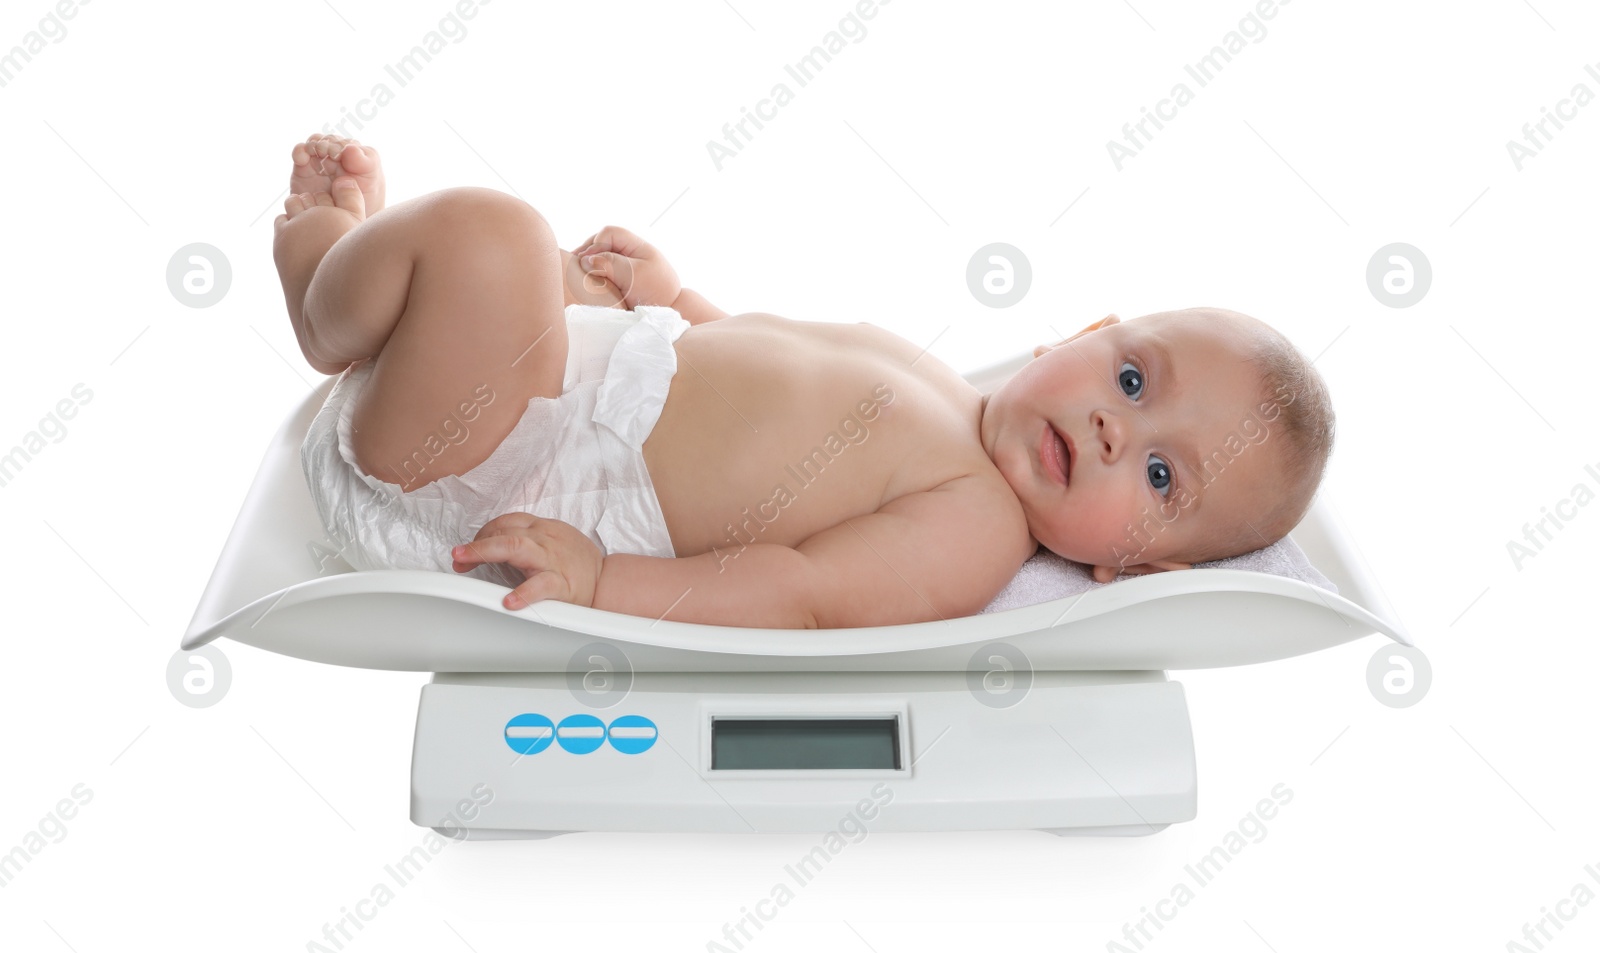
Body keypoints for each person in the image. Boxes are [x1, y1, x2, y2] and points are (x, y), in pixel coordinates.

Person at [274, 133, 1334, 629]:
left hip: (488, 474)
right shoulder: (945, 391)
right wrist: (678, 304)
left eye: (1158, 475)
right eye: (1136, 376)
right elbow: (768, 363)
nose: (1113, 428)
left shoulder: (973, 527)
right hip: (563, 392)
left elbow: (803, 591)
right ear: (1091, 330)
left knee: (491, 237)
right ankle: (359, 290)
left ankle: (324, 265)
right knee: (541, 268)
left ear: (1139, 573)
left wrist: (607, 583)